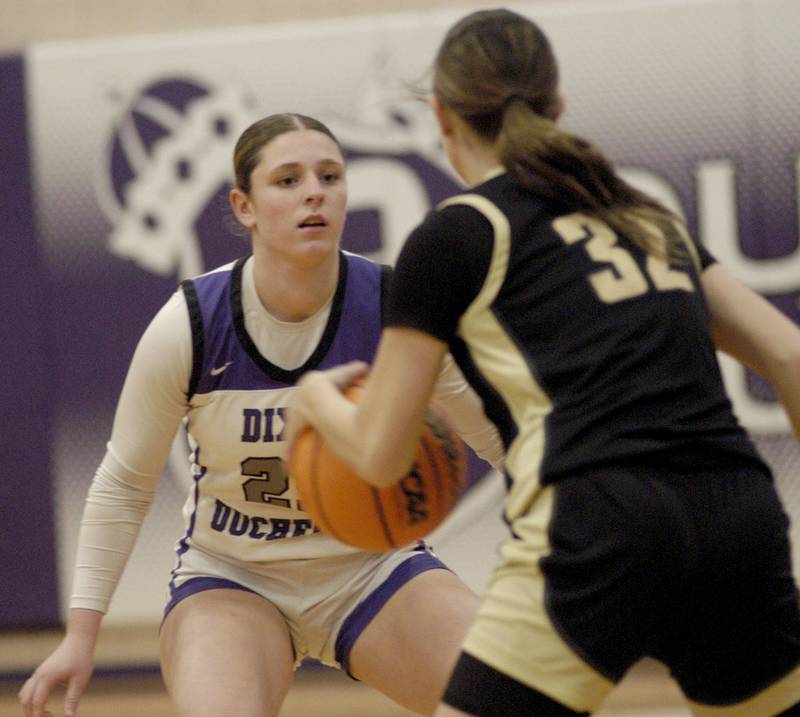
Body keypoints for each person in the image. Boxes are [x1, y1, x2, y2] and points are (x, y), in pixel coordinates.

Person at [286, 8, 800, 717]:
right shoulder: (645, 213)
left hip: (599, 524)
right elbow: (788, 351)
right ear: (556, 106)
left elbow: (378, 453)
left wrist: (312, 400)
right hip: (737, 516)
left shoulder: (459, 233)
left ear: (442, 115)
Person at [18, 112, 505, 717]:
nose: (314, 192)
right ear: (244, 207)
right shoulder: (191, 323)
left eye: (330, 176)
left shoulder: (393, 305)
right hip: (233, 575)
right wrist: (81, 636)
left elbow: (498, 437)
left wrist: (585, 533)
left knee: (510, 697)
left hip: (371, 570)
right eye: (288, 180)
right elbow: (123, 485)